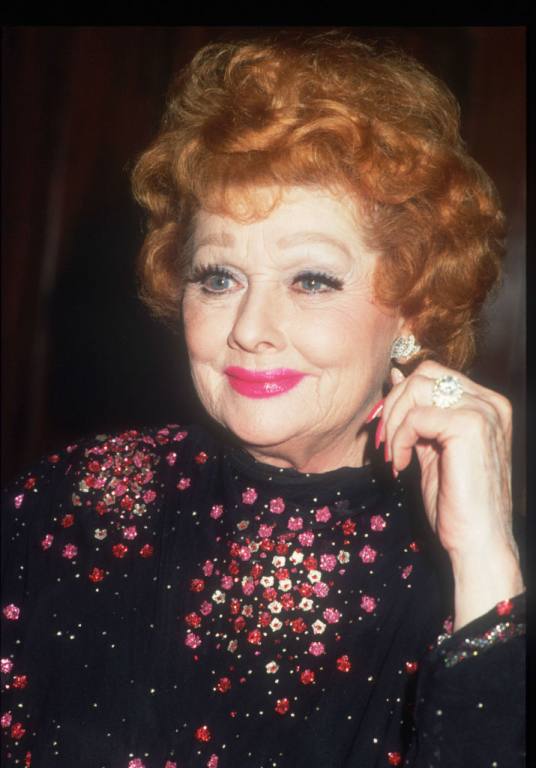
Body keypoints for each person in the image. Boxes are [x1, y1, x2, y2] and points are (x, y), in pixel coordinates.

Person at [1, 31, 525, 768]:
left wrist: (484, 569)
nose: (248, 330)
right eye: (219, 277)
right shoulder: (65, 509)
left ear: (412, 305)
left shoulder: (485, 572)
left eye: (311, 280)